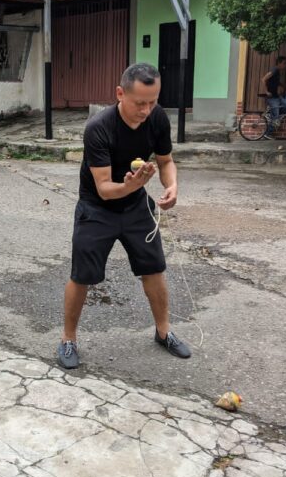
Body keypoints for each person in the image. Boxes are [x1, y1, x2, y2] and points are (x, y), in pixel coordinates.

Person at [57, 63, 191, 370]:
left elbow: (166, 160)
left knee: (154, 269)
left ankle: (163, 332)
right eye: (139, 103)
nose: (146, 110)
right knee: (82, 276)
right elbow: (104, 189)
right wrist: (131, 185)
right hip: (97, 208)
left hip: (136, 207)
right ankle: (68, 338)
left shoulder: (157, 118)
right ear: (120, 94)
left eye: (153, 101)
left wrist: (171, 186)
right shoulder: (99, 127)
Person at [262, 56, 286, 132]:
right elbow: (264, 79)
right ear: (279, 63)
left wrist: (283, 86)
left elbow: (275, 81)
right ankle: (268, 133)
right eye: (284, 63)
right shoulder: (274, 70)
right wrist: (266, 91)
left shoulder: (277, 71)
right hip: (272, 97)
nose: (285, 65)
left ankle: (271, 113)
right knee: (276, 117)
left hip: (277, 96)